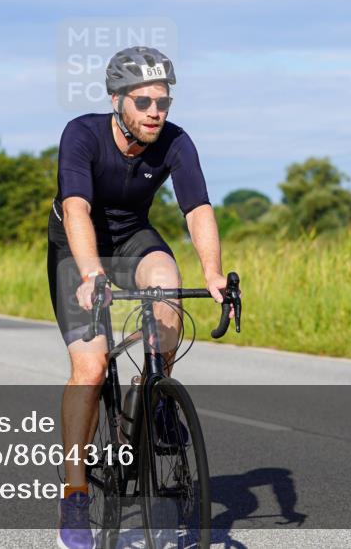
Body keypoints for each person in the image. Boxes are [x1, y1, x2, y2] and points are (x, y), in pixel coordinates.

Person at [49, 46, 230, 549]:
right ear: (117, 100)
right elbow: (77, 208)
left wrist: (212, 273)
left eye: (163, 102)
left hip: (133, 238)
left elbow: (197, 209)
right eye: (144, 102)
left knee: (167, 291)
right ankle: (76, 495)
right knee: (90, 368)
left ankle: (155, 388)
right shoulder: (81, 134)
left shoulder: (175, 142)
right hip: (77, 248)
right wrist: (90, 275)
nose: (156, 112)